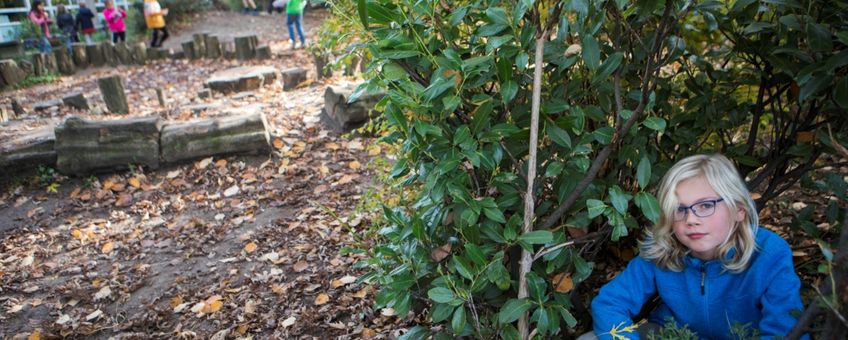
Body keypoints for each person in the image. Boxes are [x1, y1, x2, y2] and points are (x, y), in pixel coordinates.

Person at [586, 154, 808, 339]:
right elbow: (609, 303)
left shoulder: (769, 253)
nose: (691, 219)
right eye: (679, 209)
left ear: (739, 209)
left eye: (705, 205)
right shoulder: (661, 249)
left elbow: (785, 331)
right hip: (674, 335)